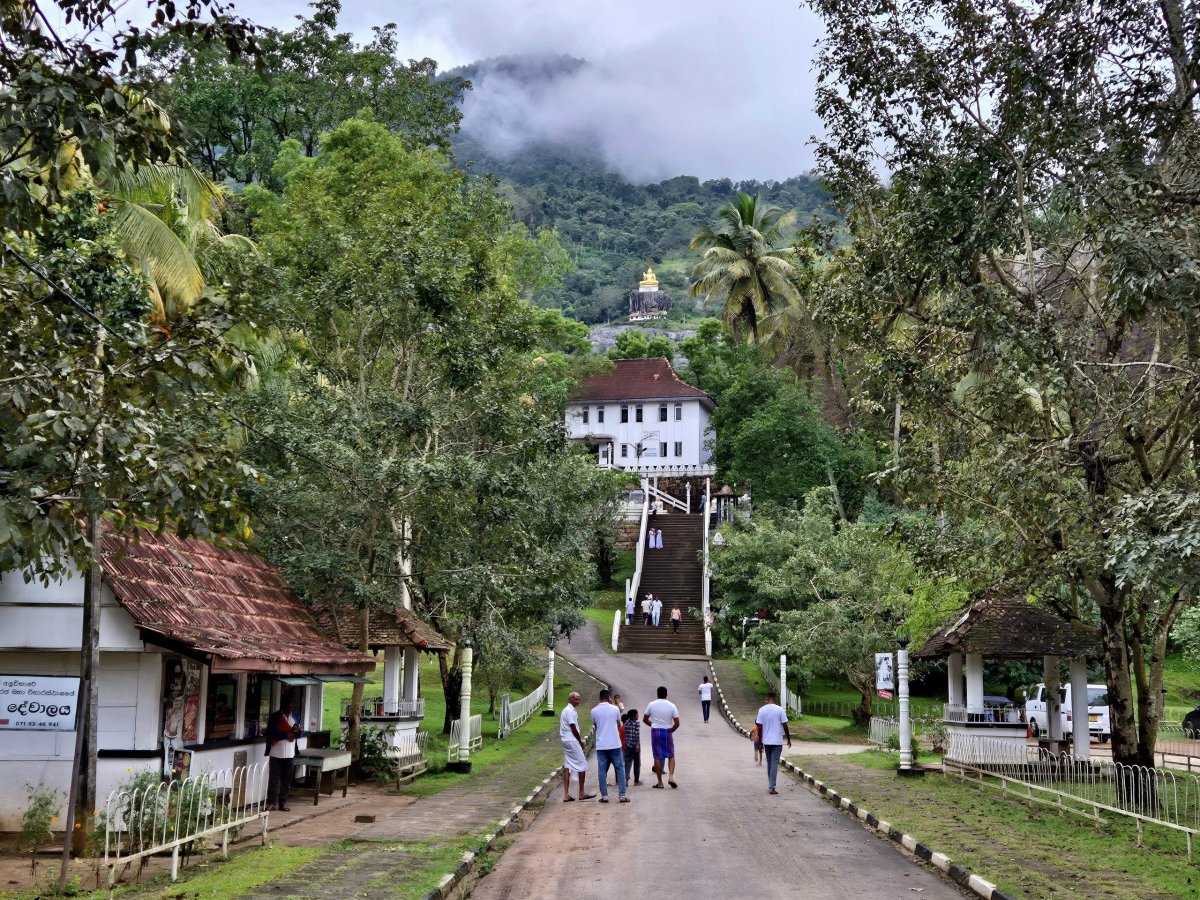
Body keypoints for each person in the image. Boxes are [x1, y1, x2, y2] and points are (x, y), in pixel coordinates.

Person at [265, 693, 302, 811]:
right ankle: (271, 802)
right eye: (289, 703)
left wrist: (296, 734)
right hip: (276, 752)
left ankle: (283, 802)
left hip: (290, 753)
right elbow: (270, 732)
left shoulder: (295, 716)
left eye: (292, 703)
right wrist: (286, 735)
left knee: (286, 780)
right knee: (274, 779)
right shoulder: (275, 716)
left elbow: (300, 732)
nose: (291, 706)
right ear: (284, 703)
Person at [591, 690, 629, 803]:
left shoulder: (594, 711)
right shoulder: (615, 709)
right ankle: (622, 795)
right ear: (609, 698)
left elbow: (595, 724)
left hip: (601, 745)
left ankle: (605, 796)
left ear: (599, 697)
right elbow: (618, 723)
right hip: (614, 744)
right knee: (620, 768)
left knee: (602, 770)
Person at [643, 686, 681, 788]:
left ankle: (660, 782)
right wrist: (670, 730)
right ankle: (671, 777)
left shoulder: (652, 704)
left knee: (657, 756)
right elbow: (677, 723)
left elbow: (645, 719)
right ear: (666, 694)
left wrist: (654, 725)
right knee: (671, 755)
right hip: (667, 731)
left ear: (657, 694)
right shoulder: (672, 706)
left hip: (656, 731)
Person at [755, 690, 792, 794]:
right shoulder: (780, 710)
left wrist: (761, 742)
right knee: (774, 762)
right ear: (775, 697)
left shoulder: (762, 710)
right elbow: (785, 725)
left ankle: (770, 785)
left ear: (767, 697)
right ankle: (772, 786)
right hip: (777, 741)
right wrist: (788, 739)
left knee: (770, 763)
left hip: (766, 741)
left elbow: (760, 727)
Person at [560, 692, 594, 801]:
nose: (578, 702)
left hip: (566, 740)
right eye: (576, 700)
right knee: (582, 764)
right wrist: (580, 742)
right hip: (572, 740)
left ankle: (566, 794)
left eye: (579, 699)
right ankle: (581, 793)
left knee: (567, 766)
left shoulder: (567, 710)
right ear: (570, 699)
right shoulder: (570, 711)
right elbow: (573, 727)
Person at [622, 708, 642, 786]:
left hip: (627, 746)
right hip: (635, 746)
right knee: (637, 764)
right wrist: (637, 745)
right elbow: (637, 735)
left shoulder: (626, 722)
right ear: (634, 716)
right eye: (637, 714)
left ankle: (626, 780)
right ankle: (636, 781)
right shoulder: (637, 723)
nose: (638, 715)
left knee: (627, 763)